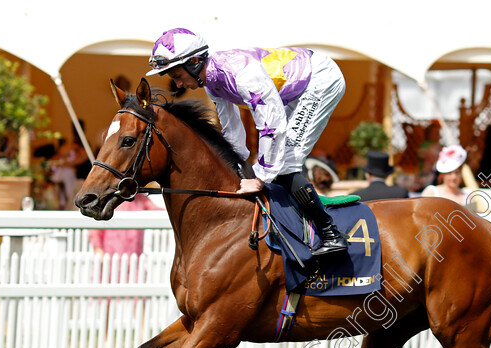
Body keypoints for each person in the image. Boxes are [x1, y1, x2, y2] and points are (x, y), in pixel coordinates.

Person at [147, 28, 347, 256]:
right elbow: (232, 131)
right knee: (279, 163)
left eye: (177, 76)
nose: (179, 84)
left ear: (194, 61)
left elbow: (272, 122)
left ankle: (331, 233)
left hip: (320, 79)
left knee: (286, 161)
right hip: (293, 91)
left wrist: (261, 176)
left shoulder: (240, 72)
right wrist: (234, 166)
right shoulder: (213, 84)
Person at [88, 194, 162, 258]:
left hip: (134, 253)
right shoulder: (109, 198)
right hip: (110, 253)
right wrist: (97, 247)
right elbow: (96, 225)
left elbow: (157, 211)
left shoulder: (140, 198)